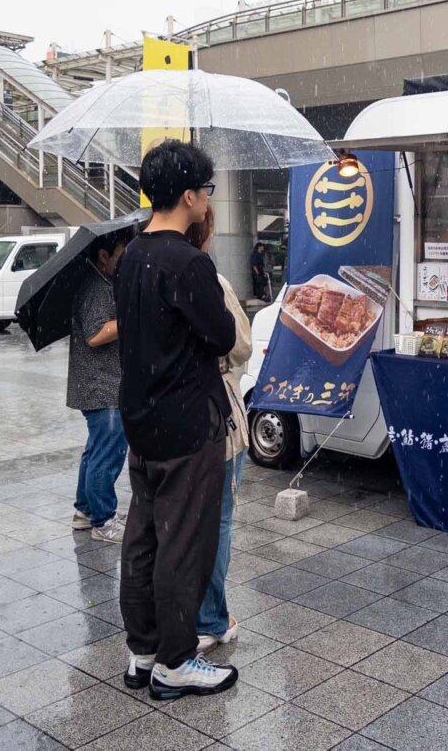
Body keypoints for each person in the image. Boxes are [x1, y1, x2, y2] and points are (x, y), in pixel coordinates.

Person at [115, 139, 239, 700]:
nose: (207, 200)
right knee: (183, 544)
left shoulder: (130, 256)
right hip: (189, 423)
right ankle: (175, 660)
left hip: (142, 419)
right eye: (206, 190)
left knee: (142, 538)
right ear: (189, 195)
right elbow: (223, 336)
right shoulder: (189, 262)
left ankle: (142, 652)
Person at [188, 206, 252, 654]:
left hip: (167, 420)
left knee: (181, 522)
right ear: (206, 235)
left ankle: (180, 614)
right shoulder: (211, 282)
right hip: (217, 415)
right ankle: (210, 618)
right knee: (219, 519)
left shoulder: (141, 273)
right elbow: (242, 345)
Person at [68, 231, 130, 543]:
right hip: (100, 386)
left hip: (97, 383)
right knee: (108, 453)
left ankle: (84, 511)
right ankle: (103, 520)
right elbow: (95, 334)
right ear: (103, 256)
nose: (124, 259)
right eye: (120, 254)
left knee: (96, 450)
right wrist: (130, 318)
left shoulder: (101, 283)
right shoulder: (95, 287)